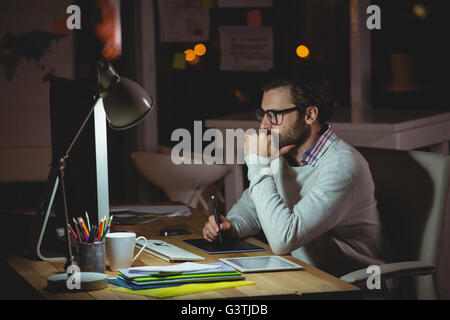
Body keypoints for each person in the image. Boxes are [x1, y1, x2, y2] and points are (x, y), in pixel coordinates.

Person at [202, 65, 392, 277]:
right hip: (302, 276)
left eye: (274, 115)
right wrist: (231, 226)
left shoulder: (342, 168)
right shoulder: (283, 152)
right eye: (263, 113)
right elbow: (251, 208)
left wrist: (258, 164)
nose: (264, 124)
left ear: (310, 114)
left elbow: (284, 238)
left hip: (353, 285)